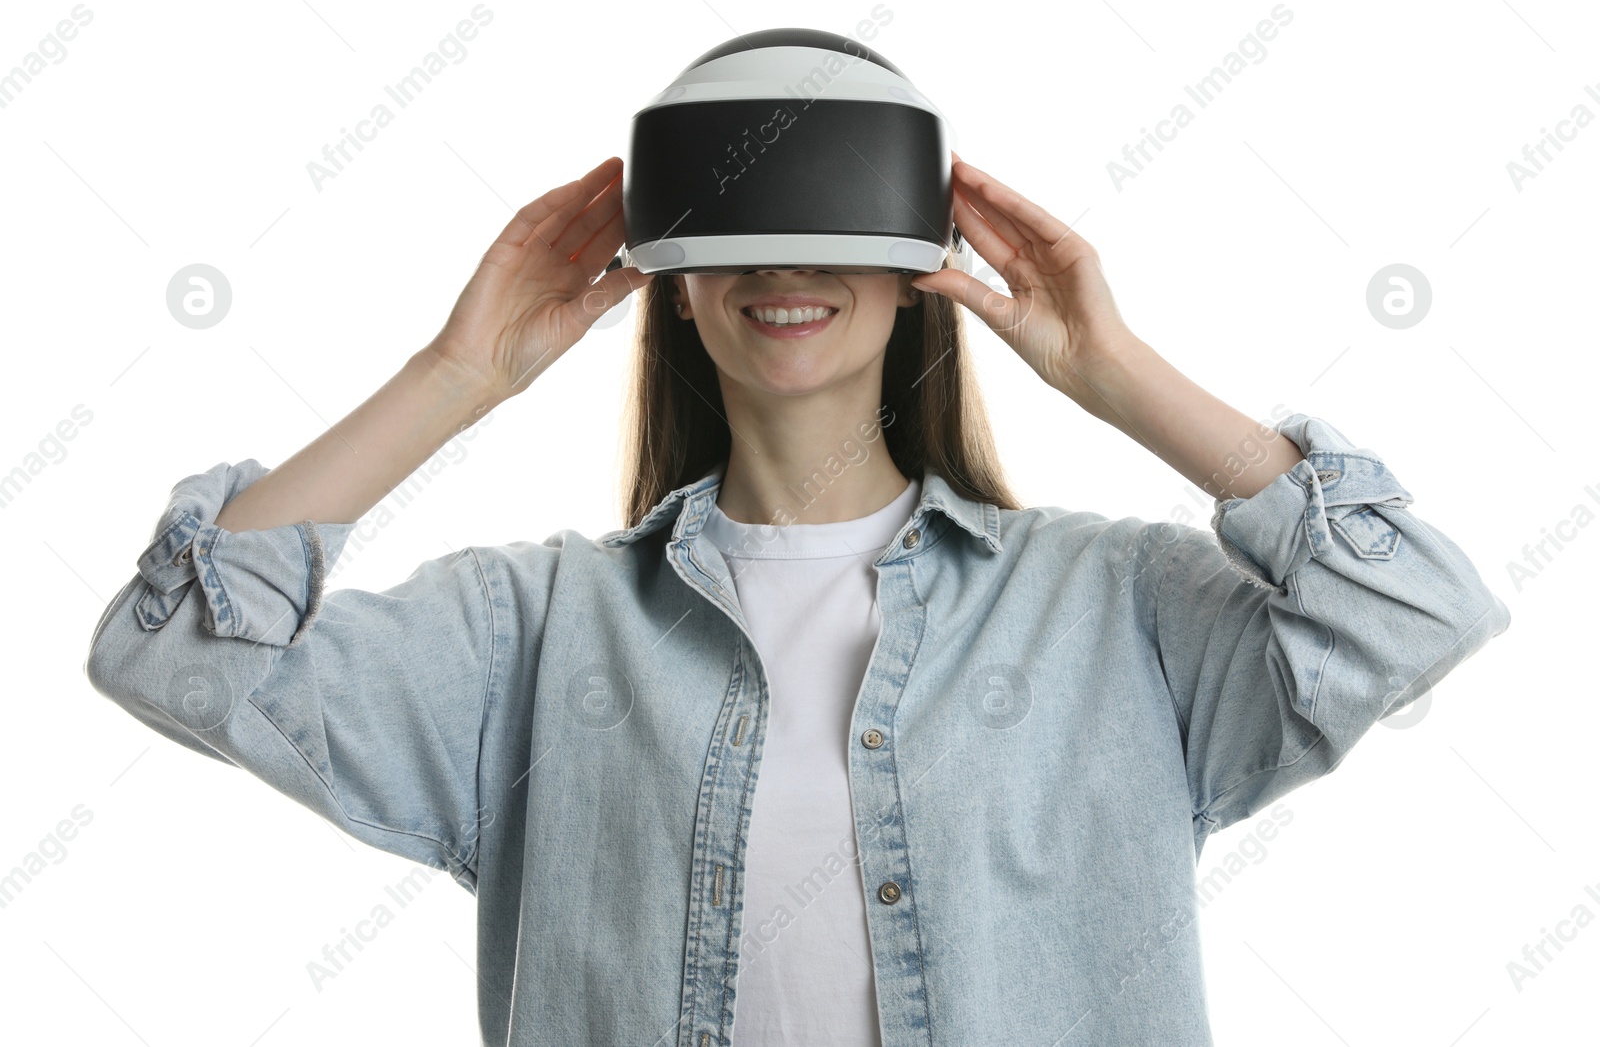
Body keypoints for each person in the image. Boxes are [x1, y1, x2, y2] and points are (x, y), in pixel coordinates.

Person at [85, 153, 1511, 1046]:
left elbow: (1410, 613)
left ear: (914, 274)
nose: (783, 259)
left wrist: (1114, 372)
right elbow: (177, 658)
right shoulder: (530, 637)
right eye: (735, 220)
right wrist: (458, 376)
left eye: (832, 208)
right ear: (680, 284)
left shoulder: (1113, 606)